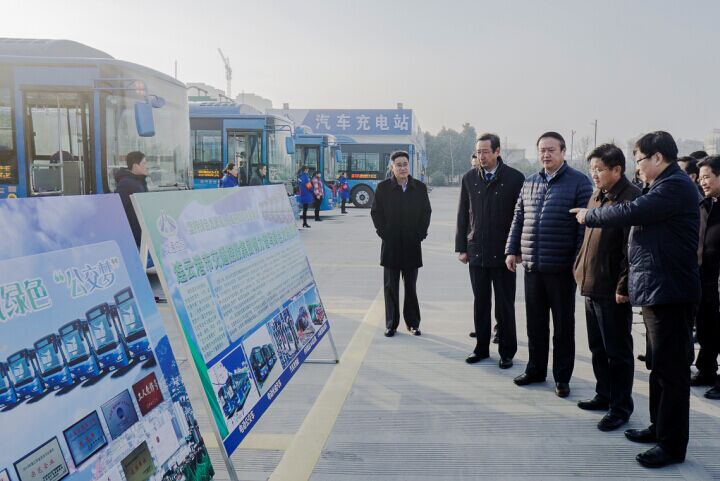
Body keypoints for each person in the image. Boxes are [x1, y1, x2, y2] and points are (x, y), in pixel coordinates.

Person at [571, 131, 699, 468]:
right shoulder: (661, 185)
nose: (637, 166)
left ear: (657, 157)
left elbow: (630, 211)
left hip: (671, 292)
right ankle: (659, 427)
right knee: (659, 368)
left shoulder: (674, 186)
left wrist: (588, 216)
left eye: (639, 159)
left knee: (672, 373)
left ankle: (671, 445)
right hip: (658, 290)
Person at [505, 131, 592, 398]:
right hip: (533, 265)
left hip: (562, 268)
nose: (546, 154)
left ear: (563, 152)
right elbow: (519, 217)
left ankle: (562, 377)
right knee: (536, 323)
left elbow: (583, 229)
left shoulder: (579, 182)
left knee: (563, 326)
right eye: (542, 150)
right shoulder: (530, 182)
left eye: (551, 150)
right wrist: (512, 250)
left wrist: (577, 261)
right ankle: (535, 369)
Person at [573, 144, 640, 432]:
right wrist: (578, 267)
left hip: (613, 288)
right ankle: (604, 394)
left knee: (617, 351)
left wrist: (623, 285)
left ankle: (620, 407)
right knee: (598, 347)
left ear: (617, 169)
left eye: (599, 169)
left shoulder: (631, 199)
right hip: (591, 283)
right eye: (592, 169)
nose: (594, 174)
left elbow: (631, 249)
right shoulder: (597, 194)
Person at [456, 133, 524, 369]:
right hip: (477, 251)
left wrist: (517, 250)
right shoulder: (469, 178)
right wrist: (462, 248)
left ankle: (507, 352)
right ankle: (481, 348)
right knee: (481, 303)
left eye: (486, 151)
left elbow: (521, 217)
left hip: (505, 255)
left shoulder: (515, 178)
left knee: (505, 305)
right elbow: (463, 215)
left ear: (497, 151)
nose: (481, 156)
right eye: (478, 152)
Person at [371, 150, 431, 337]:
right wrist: (384, 233)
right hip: (391, 246)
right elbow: (376, 213)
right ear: (392, 167)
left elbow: (426, 212)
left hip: (412, 245)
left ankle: (413, 324)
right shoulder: (382, 188)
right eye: (399, 165)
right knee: (391, 287)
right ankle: (391, 324)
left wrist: (420, 234)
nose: (403, 168)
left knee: (411, 287)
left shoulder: (419, 188)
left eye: (405, 164)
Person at [695, 155, 720, 400]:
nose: (702, 182)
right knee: (706, 329)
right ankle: (706, 371)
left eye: (707, 177)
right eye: (701, 177)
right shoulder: (703, 206)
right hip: (703, 280)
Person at [115, 151, 149, 247]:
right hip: (134, 237)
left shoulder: (139, 181)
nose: (146, 166)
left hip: (141, 233)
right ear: (135, 166)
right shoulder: (126, 184)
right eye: (144, 163)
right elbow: (117, 209)